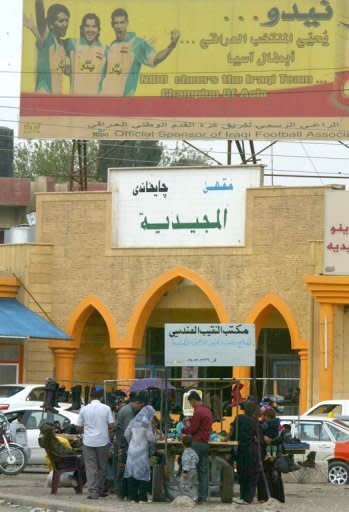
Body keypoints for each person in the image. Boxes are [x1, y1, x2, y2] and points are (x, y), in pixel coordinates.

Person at [101, 8, 181, 96]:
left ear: (127, 23)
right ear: (112, 25)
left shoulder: (138, 43)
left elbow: (156, 59)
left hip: (125, 103)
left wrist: (172, 45)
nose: (119, 26)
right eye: (116, 23)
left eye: (122, 22)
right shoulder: (112, 46)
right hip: (108, 101)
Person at [25, 0, 73, 94]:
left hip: (56, 97)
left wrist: (68, 64)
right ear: (50, 24)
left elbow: (68, 72)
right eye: (61, 21)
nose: (65, 24)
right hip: (44, 95)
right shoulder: (47, 39)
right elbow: (40, 15)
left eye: (67, 20)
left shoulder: (63, 45)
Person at [77, 387, 114, 500]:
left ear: (91, 396)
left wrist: (86, 431)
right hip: (103, 441)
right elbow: (112, 425)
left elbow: (79, 427)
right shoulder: (106, 408)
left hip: (88, 441)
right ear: (102, 397)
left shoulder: (84, 409)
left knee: (90, 467)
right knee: (102, 467)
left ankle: (93, 492)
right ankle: (101, 490)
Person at [115, 392, 147, 499]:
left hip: (123, 443)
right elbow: (130, 432)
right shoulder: (129, 412)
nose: (140, 408)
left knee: (124, 469)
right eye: (140, 406)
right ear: (137, 403)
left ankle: (123, 493)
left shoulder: (127, 409)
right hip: (125, 445)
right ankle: (124, 493)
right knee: (125, 470)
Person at [183, 390, 213, 504]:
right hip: (205, 443)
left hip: (196, 443)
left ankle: (187, 495)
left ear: (194, 400)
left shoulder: (198, 411)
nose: (191, 405)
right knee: (203, 471)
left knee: (188, 468)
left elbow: (193, 429)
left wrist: (184, 428)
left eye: (191, 403)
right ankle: (203, 497)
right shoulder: (207, 410)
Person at [124, 405, 157, 503]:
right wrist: (155, 432)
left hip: (131, 450)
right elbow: (151, 438)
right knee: (143, 473)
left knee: (132, 473)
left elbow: (126, 433)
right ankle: (142, 497)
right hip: (142, 451)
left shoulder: (133, 421)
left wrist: (131, 442)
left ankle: (133, 497)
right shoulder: (146, 423)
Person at [68, 13, 108, 96]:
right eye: (87, 26)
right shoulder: (72, 43)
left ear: (98, 30)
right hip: (75, 101)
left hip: (95, 102)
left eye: (94, 26)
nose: (90, 30)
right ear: (82, 29)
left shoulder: (106, 50)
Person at [230, 398, 261, 505]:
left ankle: (244, 497)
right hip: (253, 449)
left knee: (242, 473)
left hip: (242, 449)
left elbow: (233, 433)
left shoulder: (239, 418)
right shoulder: (255, 421)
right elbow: (259, 437)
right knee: (251, 474)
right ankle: (248, 497)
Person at [39, 422, 85, 492]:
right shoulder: (51, 440)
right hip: (63, 461)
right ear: (49, 431)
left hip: (60, 460)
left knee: (85, 459)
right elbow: (65, 451)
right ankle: (77, 482)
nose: (56, 431)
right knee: (87, 462)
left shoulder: (48, 440)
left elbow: (64, 449)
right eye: (54, 430)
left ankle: (77, 482)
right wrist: (80, 450)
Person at [180, 435, 199, 501]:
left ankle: (188, 498)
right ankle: (195, 497)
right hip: (194, 470)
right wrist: (193, 464)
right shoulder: (193, 451)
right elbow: (197, 459)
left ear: (183, 444)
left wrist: (185, 472)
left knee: (184, 484)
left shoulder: (186, 452)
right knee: (194, 484)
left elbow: (186, 462)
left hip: (188, 471)